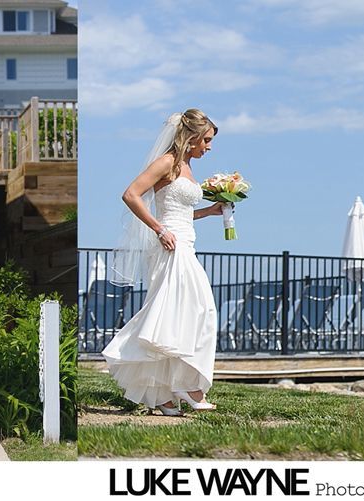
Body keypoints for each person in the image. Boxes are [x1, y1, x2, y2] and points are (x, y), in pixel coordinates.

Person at [103, 109, 225, 416]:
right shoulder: (168, 161)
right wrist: (159, 230)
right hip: (169, 246)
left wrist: (208, 212)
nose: (208, 147)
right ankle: (186, 384)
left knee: (176, 314)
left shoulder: (187, 167)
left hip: (185, 241)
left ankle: (164, 397)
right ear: (193, 136)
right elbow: (131, 194)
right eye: (206, 140)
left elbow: (180, 211)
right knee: (200, 310)